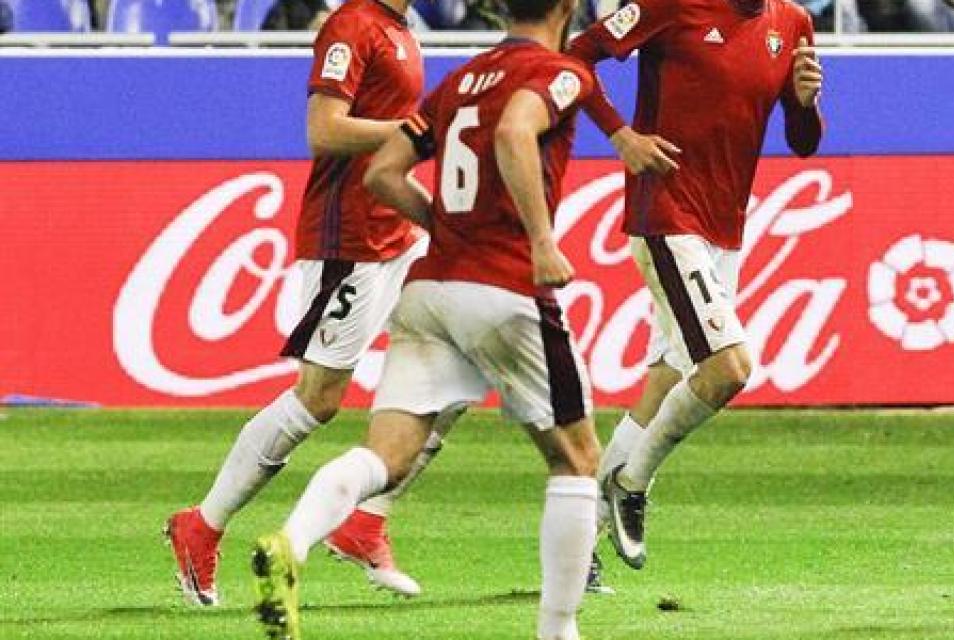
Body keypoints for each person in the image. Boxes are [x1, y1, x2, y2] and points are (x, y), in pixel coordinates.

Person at [248, 0, 676, 634]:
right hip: (504, 290)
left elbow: (384, 174)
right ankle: (558, 630)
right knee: (580, 460)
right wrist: (540, 240)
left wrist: (443, 229)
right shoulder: (562, 71)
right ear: (566, 9)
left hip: (429, 290)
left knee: (384, 456)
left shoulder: (459, 80)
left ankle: (293, 542)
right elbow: (513, 132)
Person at [165, 0, 432, 605]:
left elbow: (395, 146)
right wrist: (410, 132)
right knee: (319, 400)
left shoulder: (400, 29)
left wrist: (433, 215)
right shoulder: (354, 24)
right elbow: (325, 130)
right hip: (351, 241)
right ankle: (200, 526)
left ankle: (367, 522)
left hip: (398, 233)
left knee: (458, 362)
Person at [564, 0, 824, 570]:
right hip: (667, 213)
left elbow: (803, 141)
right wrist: (621, 135)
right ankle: (633, 484)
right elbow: (576, 58)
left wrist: (806, 105)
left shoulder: (793, 22)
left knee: (667, 382)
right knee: (728, 368)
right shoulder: (671, 4)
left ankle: (579, 547)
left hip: (725, 228)